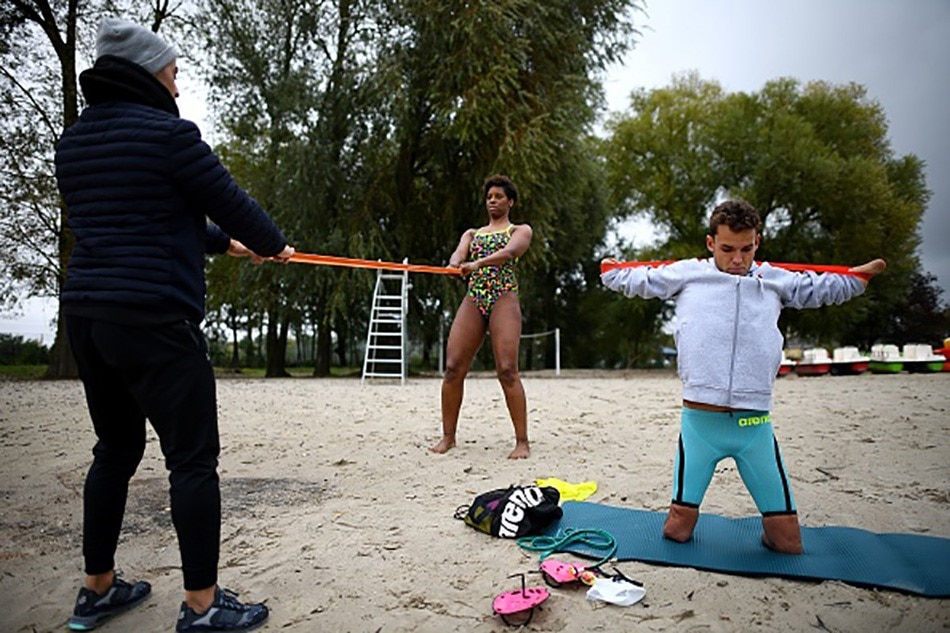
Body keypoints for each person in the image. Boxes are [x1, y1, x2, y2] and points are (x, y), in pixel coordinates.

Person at [55, 18, 294, 631]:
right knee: (191, 460)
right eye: (173, 73)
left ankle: (98, 589)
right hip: (156, 317)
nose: (179, 88)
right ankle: (202, 605)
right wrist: (271, 244)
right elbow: (232, 203)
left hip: (88, 315)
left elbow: (136, 214)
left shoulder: (74, 141)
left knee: (114, 449)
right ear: (147, 72)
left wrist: (221, 245)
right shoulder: (170, 134)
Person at [601, 200, 886, 554]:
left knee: (788, 544)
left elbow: (819, 288)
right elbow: (644, 279)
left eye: (746, 249)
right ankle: (684, 515)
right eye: (727, 249)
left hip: (754, 425)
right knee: (677, 532)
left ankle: (771, 532)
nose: (737, 259)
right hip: (700, 425)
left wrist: (857, 278)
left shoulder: (774, 279)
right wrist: (612, 272)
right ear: (710, 244)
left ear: (757, 242)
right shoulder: (689, 273)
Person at [430, 175, 534, 459]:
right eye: (489, 197)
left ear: (510, 201)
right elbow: (458, 255)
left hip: (503, 297)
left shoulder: (520, 230)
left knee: (507, 369)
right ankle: (448, 437)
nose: (493, 201)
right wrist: (454, 265)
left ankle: (522, 441)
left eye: (499, 196)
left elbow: (511, 252)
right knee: (452, 367)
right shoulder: (472, 234)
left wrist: (476, 264)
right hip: (475, 297)